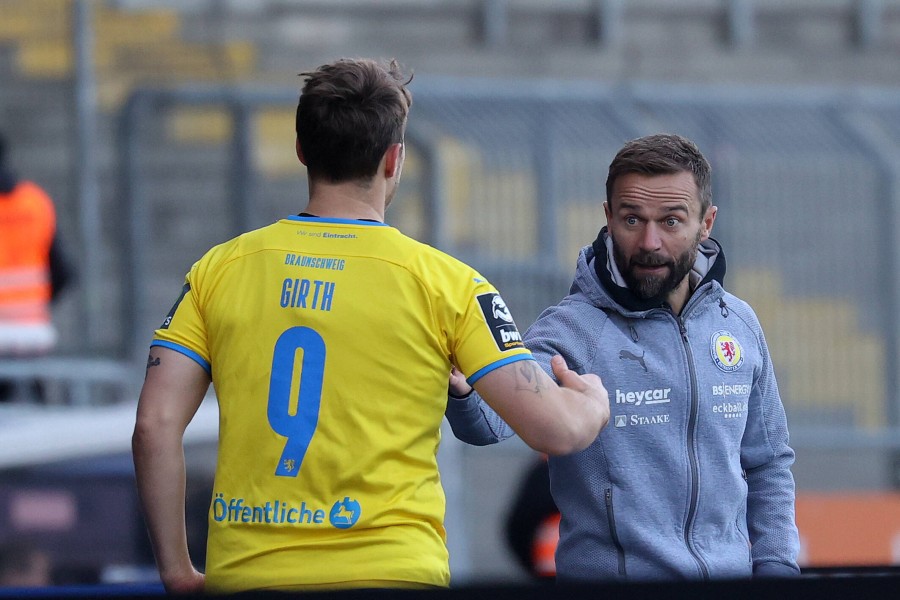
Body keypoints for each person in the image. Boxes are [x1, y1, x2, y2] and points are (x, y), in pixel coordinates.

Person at [131, 58, 609, 595]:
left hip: (250, 573)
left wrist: (176, 569)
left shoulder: (220, 269)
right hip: (392, 573)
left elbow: (153, 426)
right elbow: (558, 430)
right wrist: (591, 397)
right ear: (394, 158)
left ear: (301, 151)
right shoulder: (447, 285)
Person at [446, 133, 800, 581]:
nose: (650, 241)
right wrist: (462, 390)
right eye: (633, 220)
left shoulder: (739, 324)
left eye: (671, 221)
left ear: (706, 222)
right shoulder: (572, 328)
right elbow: (488, 422)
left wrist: (777, 568)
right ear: (609, 217)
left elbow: (768, 464)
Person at [0, 131, 74, 402]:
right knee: (37, 404)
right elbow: (64, 272)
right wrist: (36, 303)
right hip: (33, 329)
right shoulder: (35, 202)